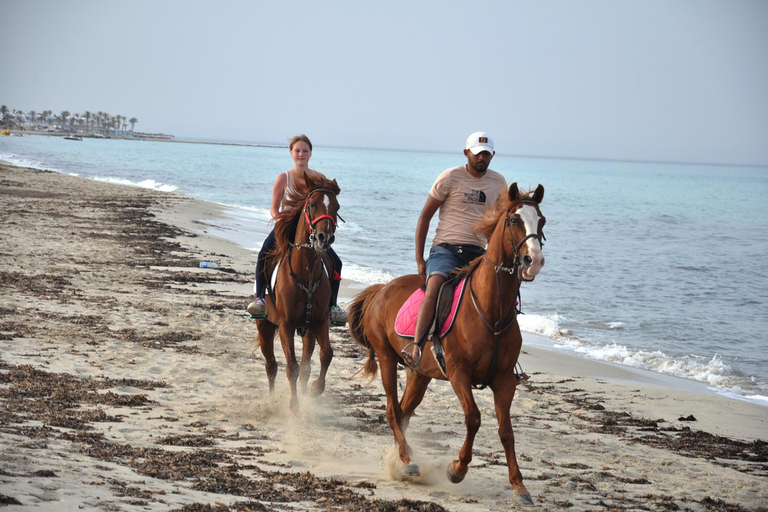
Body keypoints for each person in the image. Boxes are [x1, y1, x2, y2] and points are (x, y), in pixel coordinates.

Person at [401, 131, 507, 368]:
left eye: (487, 155)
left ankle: (507, 358)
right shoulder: (449, 177)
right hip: (445, 250)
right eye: (478, 154)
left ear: (492, 156)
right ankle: (417, 346)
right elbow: (425, 217)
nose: (482, 159)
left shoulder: (498, 182)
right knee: (435, 286)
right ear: (466, 153)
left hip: (479, 253)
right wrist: (419, 258)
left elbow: (501, 222)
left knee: (503, 292)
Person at [247, 134, 348, 324]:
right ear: (291, 153)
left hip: (310, 229)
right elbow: (274, 208)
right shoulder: (283, 178)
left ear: (310, 153)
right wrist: (281, 219)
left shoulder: (319, 178)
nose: (301, 154)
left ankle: (333, 306)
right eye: (297, 151)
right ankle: (260, 299)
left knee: (337, 262)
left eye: (305, 150)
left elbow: (326, 203)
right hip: (285, 227)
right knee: (263, 254)